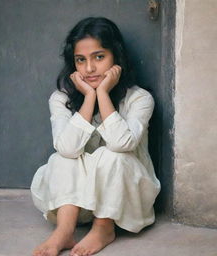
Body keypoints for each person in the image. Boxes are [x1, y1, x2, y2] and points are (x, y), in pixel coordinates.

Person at [30, 17, 161, 256]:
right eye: (81, 60)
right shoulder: (60, 98)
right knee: (62, 157)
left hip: (123, 198)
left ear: (116, 58)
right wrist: (88, 99)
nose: (89, 69)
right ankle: (64, 231)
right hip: (78, 201)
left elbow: (122, 144)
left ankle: (103, 228)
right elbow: (67, 148)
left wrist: (102, 93)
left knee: (111, 155)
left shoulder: (139, 99)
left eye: (99, 57)